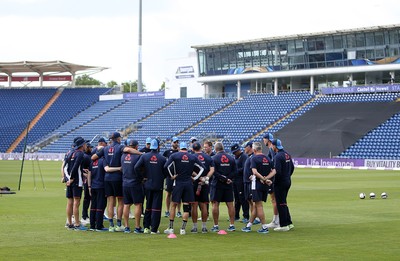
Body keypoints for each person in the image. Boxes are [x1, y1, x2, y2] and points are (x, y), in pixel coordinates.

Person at [91, 132, 141, 232]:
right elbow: (128, 149)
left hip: (107, 178)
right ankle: (118, 224)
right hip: (118, 177)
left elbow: (93, 157)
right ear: (118, 139)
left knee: (110, 201)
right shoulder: (120, 147)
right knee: (121, 201)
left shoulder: (105, 148)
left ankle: (111, 225)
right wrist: (141, 153)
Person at [163, 142, 205, 235]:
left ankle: (171, 228)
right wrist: (195, 178)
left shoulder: (175, 156)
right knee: (186, 206)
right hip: (188, 183)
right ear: (187, 148)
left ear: (180, 148)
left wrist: (172, 176)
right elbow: (202, 168)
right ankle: (183, 229)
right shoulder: (192, 157)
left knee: (173, 205)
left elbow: (166, 166)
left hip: (178, 183)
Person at [135, 139, 167, 234]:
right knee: (156, 207)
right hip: (158, 185)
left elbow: (136, 167)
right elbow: (166, 171)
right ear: (158, 147)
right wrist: (161, 177)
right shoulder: (162, 158)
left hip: (147, 184)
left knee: (148, 206)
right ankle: (154, 228)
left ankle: (146, 227)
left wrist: (142, 177)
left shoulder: (145, 156)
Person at [242, 142, 275, 233]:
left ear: (254, 150)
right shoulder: (267, 158)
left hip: (256, 184)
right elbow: (274, 171)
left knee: (258, 206)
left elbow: (255, 172)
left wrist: (263, 179)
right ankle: (249, 225)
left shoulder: (254, 158)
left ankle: (264, 227)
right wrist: (267, 178)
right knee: (256, 206)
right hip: (265, 185)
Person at [265, 139, 295, 232]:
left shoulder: (278, 156)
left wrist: (271, 180)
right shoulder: (287, 154)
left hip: (280, 182)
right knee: (284, 202)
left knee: (280, 203)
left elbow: (277, 171)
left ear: (274, 146)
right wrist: (287, 176)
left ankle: (283, 225)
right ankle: (289, 222)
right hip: (287, 181)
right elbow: (292, 167)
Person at [210, 142, 237, 232]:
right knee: (230, 204)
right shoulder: (231, 158)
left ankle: (216, 225)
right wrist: (228, 178)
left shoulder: (214, 158)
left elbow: (214, 172)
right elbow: (235, 171)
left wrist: (223, 178)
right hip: (228, 184)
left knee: (215, 204)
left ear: (215, 149)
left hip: (217, 184)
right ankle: (232, 225)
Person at [121, 139, 143, 234]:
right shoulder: (138, 156)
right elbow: (139, 169)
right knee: (138, 204)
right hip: (135, 183)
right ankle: (137, 227)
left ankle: (126, 226)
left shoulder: (123, 156)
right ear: (136, 146)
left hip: (125, 182)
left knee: (126, 204)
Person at [191, 142, 214, 233]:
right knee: (204, 205)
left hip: (194, 183)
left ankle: (195, 227)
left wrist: (197, 176)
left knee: (194, 205)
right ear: (201, 148)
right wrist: (206, 177)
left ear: (193, 149)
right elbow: (212, 169)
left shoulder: (191, 157)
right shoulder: (208, 157)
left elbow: (190, 169)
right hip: (205, 183)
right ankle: (204, 227)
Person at [65, 137, 87, 231]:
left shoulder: (70, 153)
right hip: (77, 181)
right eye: (85, 144)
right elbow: (76, 166)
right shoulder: (80, 154)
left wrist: (67, 179)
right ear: (82, 145)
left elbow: (65, 167)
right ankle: (77, 224)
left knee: (69, 202)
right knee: (76, 202)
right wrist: (72, 178)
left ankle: (70, 223)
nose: (86, 145)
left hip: (69, 181)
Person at [262, 133, 279, 228]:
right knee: (275, 199)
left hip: (274, 178)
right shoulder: (271, 150)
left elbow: (272, 164)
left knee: (274, 199)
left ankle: (276, 220)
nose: (263, 141)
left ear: (267, 140)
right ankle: (277, 219)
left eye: (264, 139)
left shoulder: (271, 149)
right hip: (275, 177)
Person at [162, 136, 182, 218]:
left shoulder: (180, 152)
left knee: (178, 194)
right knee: (168, 193)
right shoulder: (167, 152)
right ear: (172, 143)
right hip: (169, 176)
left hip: (178, 175)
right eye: (174, 142)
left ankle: (179, 211)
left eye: (177, 142)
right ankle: (167, 210)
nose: (176, 143)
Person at [230, 143, 249, 223]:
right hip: (235, 180)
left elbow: (244, 168)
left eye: (235, 151)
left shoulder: (244, 157)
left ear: (238, 150)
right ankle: (236, 215)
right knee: (237, 199)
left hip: (241, 180)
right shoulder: (235, 157)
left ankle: (246, 216)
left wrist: (235, 172)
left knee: (243, 198)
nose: (234, 153)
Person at [80, 141, 93, 226]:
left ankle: (86, 215)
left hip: (87, 178)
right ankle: (84, 216)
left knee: (88, 198)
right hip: (86, 179)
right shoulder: (85, 156)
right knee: (87, 198)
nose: (91, 148)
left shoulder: (88, 156)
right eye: (90, 147)